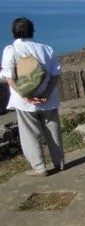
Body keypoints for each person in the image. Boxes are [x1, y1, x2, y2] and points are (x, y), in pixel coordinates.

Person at [0, 17, 64, 177]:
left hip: (25, 102)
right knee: (53, 132)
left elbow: (9, 77)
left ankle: (40, 167)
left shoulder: (11, 50)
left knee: (30, 135)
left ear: (13, 32)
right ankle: (59, 162)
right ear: (32, 31)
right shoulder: (45, 49)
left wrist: (25, 96)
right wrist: (47, 92)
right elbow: (56, 73)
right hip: (48, 99)